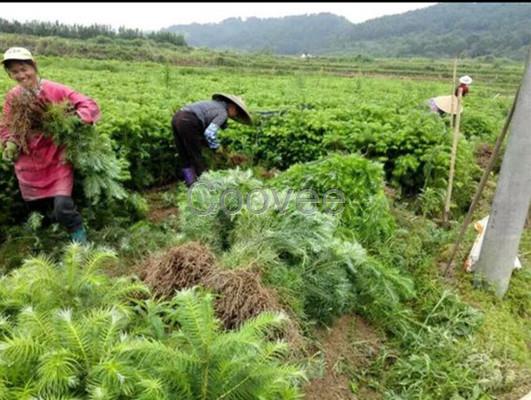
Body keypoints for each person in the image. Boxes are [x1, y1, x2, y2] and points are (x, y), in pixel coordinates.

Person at [0, 47, 101, 244]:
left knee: (62, 204)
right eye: (14, 72)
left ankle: (80, 241)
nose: (21, 75)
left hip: (56, 157)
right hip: (29, 159)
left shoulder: (55, 89)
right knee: (37, 206)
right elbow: (7, 124)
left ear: (34, 66)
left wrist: (75, 119)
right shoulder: (13, 96)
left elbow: (89, 104)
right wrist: (10, 142)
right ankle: (48, 239)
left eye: (23, 68)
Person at [171, 93, 252, 186]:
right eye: (237, 112)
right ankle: (205, 185)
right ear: (232, 107)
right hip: (189, 121)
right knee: (196, 156)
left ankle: (190, 183)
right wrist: (216, 147)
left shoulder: (214, 105)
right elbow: (209, 133)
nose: (235, 115)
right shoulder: (223, 112)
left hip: (177, 118)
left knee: (184, 156)